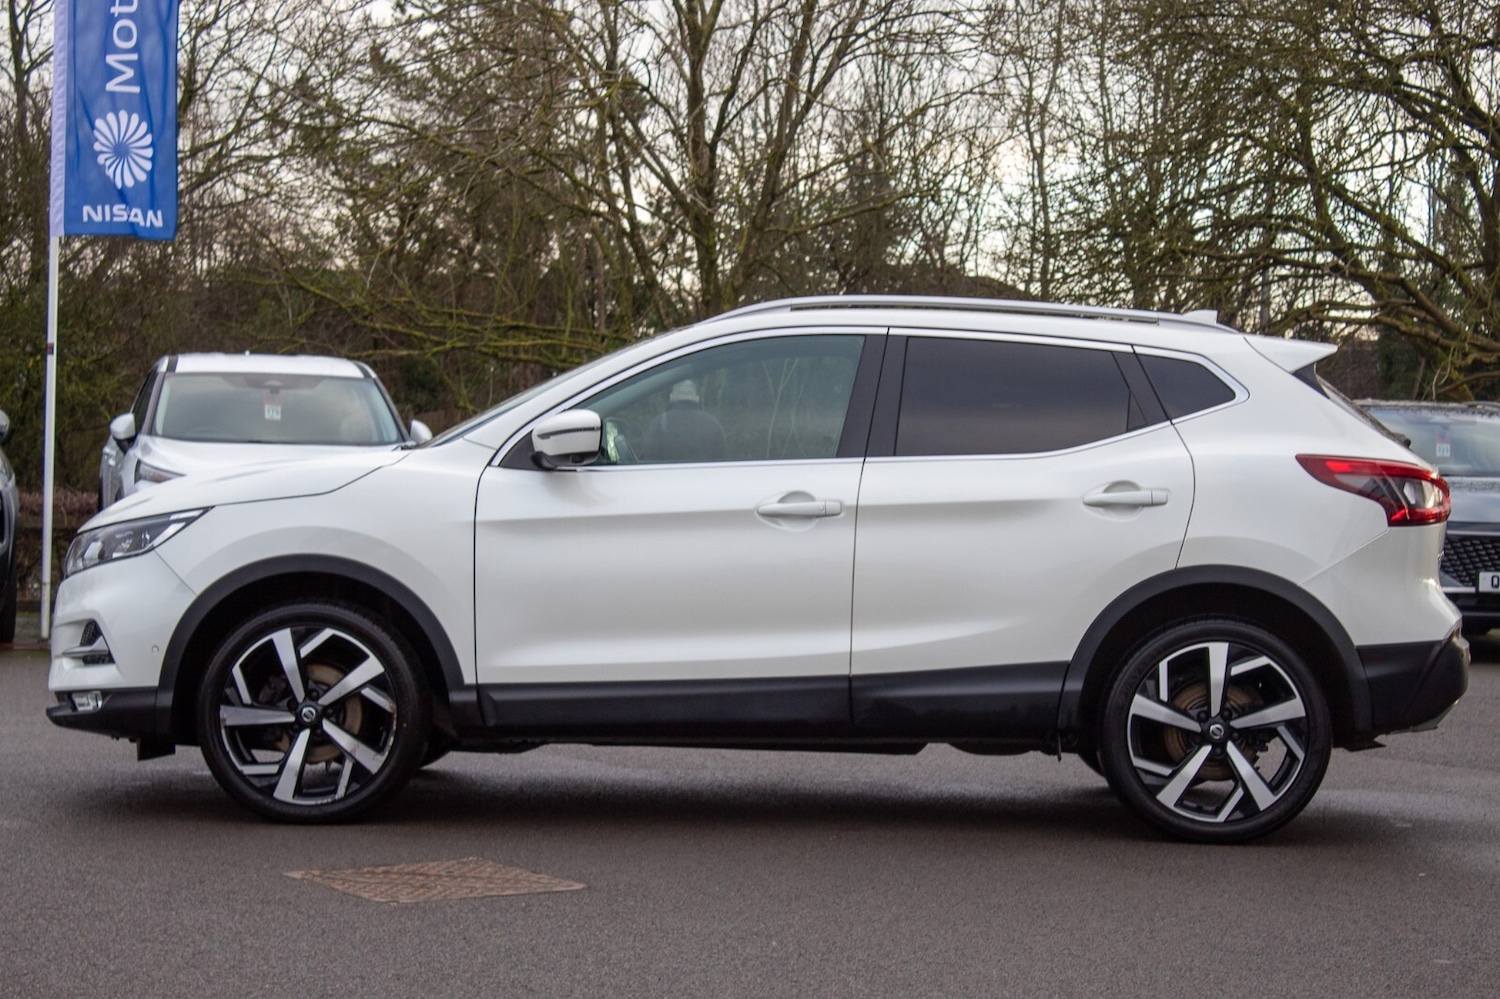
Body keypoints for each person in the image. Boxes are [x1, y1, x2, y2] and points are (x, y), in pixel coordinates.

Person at [642, 379, 726, 462]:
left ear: (671, 397)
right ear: (697, 399)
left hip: (668, 475)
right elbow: (721, 461)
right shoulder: (713, 424)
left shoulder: (659, 423)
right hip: (703, 475)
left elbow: (649, 458)